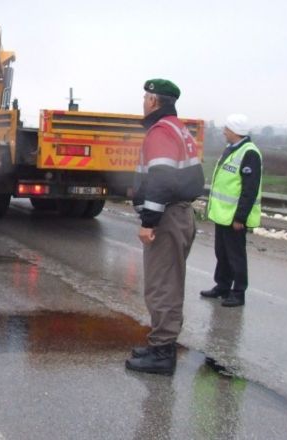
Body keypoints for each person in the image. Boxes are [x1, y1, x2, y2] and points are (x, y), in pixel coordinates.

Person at [126, 79, 205, 375]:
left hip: (168, 218)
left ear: (154, 102)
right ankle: (160, 344)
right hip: (179, 215)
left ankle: (162, 352)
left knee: (163, 286)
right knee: (168, 283)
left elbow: (161, 178)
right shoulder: (177, 128)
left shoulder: (160, 132)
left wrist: (149, 221)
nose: (143, 102)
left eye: (146, 97)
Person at [200, 114, 263, 307]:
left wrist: (240, 217)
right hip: (223, 214)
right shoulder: (232, 149)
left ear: (235, 131)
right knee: (222, 253)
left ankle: (238, 292)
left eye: (226, 128)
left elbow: (249, 189)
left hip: (235, 216)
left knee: (236, 255)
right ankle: (222, 286)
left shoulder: (249, 153)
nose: (223, 131)